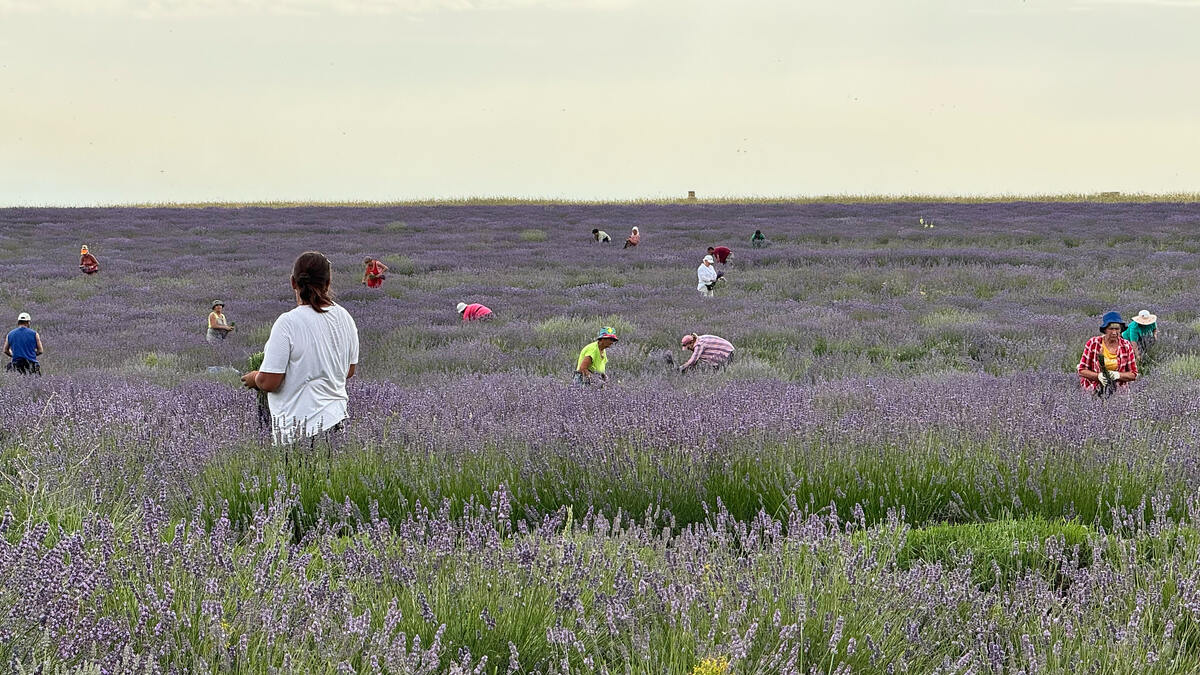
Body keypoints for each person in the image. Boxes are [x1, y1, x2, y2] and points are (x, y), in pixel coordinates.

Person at [241, 251, 360, 445]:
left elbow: (270, 382)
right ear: (328, 283)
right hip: (336, 422)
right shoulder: (344, 317)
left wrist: (255, 378)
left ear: (293, 282)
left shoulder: (288, 323)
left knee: (298, 466)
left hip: (298, 431)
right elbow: (349, 370)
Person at [1078, 311, 1138, 397]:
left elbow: (1133, 374)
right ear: (1105, 329)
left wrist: (1117, 375)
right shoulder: (1093, 343)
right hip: (1094, 389)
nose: (1114, 332)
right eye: (1111, 329)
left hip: (1118, 392)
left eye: (1117, 329)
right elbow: (1082, 370)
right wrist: (1098, 376)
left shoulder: (1126, 345)